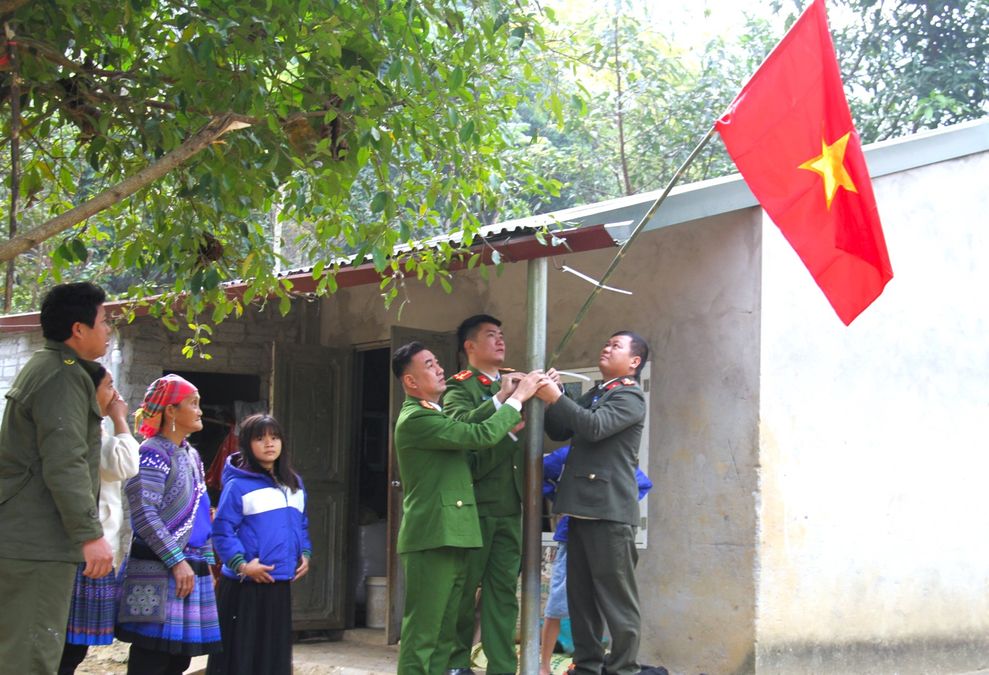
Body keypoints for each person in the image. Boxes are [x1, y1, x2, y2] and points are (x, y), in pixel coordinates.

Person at [391, 341, 549, 675]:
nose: (439, 368)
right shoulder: (416, 419)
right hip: (432, 536)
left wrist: (501, 398)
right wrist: (518, 400)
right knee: (423, 634)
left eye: (437, 362)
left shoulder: (434, 414)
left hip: (454, 534)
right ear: (410, 382)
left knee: (444, 634)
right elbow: (476, 436)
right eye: (430, 364)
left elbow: (469, 429)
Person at [0, 282, 114, 673]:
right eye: (104, 320)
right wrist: (90, 534)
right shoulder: (61, 375)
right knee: (30, 659)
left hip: (28, 538)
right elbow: (65, 462)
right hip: (37, 542)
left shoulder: (48, 367)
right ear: (78, 329)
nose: (108, 329)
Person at [538, 331, 650, 675]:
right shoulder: (599, 392)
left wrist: (559, 397)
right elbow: (560, 430)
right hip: (582, 509)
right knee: (581, 598)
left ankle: (623, 669)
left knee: (617, 602)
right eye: (606, 342)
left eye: (616, 345)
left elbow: (594, 427)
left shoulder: (629, 396)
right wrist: (552, 397)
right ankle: (587, 666)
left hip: (609, 511)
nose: (606, 347)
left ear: (634, 362)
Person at [116, 374, 221, 675]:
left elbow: (201, 510)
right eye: (193, 403)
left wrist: (208, 561)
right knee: (152, 656)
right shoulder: (151, 453)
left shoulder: (192, 455)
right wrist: (176, 560)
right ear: (171, 411)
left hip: (192, 564)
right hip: (159, 569)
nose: (200, 410)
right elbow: (144, 514)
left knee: (179, 659)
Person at [443, 314, 526, 675]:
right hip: (475, 506)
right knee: (463, 594)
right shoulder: (459, 388)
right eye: (490, 335)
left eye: (502, 334)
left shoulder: (514, 380)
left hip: (511, 505)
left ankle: (502, 668)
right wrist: (504, 410)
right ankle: (456, 664)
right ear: (470, 346)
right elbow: (462, 436)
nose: (500, 340)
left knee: (503, 594)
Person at [207, 413, 312, 675]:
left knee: (272, 657)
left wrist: (305, 553)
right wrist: (242, 565)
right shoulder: (238, 485)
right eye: (260, 438)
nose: (269, 444)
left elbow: (301, 525)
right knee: (241, 658)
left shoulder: (294, 484)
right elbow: (221, 531)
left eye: (275, 437)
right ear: (246, 444)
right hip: (245, 586)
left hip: (279, 583)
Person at [538, 445, 653, 675]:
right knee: (558, 603)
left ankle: (600, 662)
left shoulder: (614, 453)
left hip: (607, 533)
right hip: (571, 535)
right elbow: (539, 473)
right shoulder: (567, 453)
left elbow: (642, 483)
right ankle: (544, 666)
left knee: (604, 602)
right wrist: (562, 497)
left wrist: (611, 505)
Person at [58, 365, 140, 674]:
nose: (116, 394)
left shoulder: (96, 430)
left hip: (93, 546)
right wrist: (121, 418)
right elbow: (125, 464)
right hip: (84, 548)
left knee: (74, 649)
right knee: (67, 647)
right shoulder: (86, 432)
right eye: (108, 386)